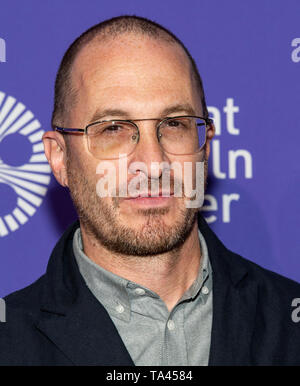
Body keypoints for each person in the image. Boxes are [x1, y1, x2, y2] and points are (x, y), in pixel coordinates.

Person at [1, 15, 300, 366]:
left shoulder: (288, 321)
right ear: (59, 158)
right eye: (112, 128)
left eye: (174, 124)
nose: (152, 163)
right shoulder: (10, 342)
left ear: (205, 146)